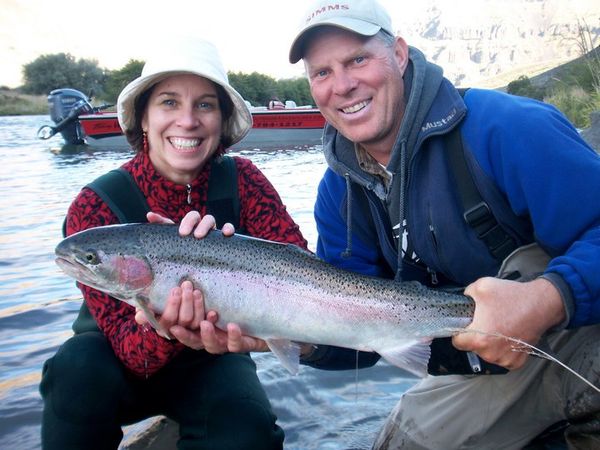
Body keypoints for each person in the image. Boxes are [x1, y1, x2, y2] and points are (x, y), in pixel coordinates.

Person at [281, 0, 600, 448]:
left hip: (577, 335)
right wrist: (288, 336)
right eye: (322, 73)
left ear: (399, 54)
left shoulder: (506, 128)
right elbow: (355, 337)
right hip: (482, 370)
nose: (344, 85)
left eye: (357, 59)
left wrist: (547, 298)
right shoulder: (338, 194)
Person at [40, 35, 307, 450]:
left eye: (205, 104)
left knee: (249, 434)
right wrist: (165, 328)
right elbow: (132, 353)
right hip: (113, 362)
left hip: (213, 361)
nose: (188, 120)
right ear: (143, 118)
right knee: (73, 369)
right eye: (168, 102)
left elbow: (305, 274)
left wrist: (289, 336)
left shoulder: (246, 181)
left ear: (221, 120)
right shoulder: (95, 204)